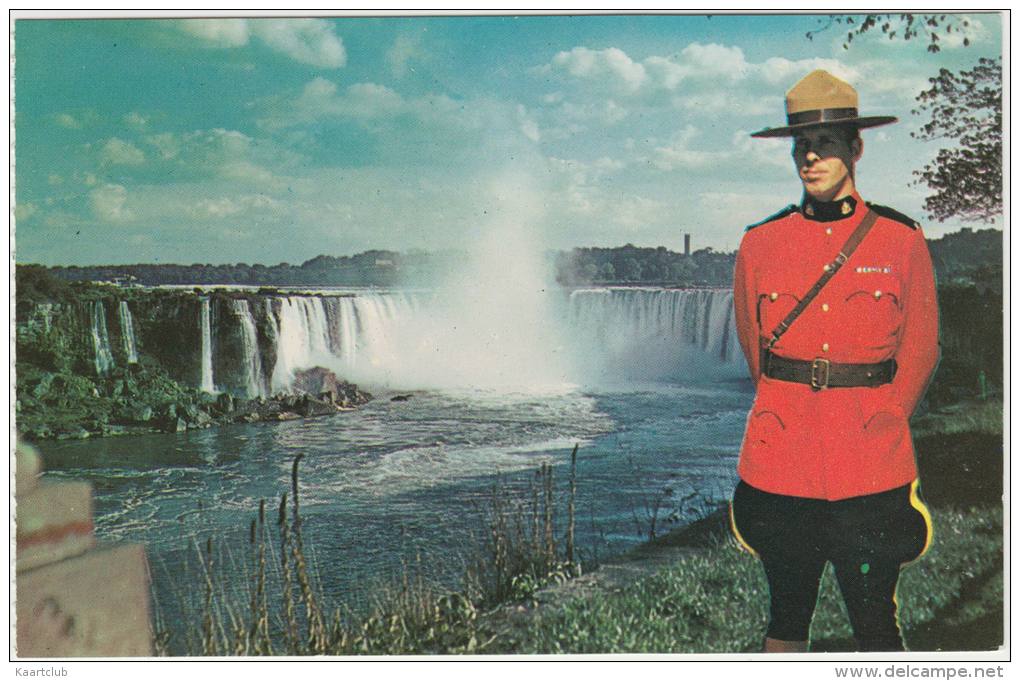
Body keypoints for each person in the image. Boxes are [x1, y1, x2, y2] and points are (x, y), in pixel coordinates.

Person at [728, 70, 940, 653]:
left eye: (825, 144)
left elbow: (921, 350)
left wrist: (880, 421)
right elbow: (757, 352)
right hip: (783, 462)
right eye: (802, 146)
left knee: (875, 622)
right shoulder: (760, 244)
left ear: (856, 148)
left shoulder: (900, 240)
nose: (811, 157)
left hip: (869, 461)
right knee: (785, 620)